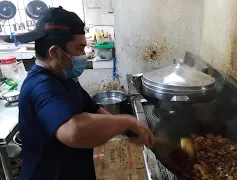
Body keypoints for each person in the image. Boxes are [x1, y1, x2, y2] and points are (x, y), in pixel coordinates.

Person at [17, 7, 154, 180]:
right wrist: (126, 121)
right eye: (80, 48)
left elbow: (92, 109)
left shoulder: (64, 77)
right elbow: (74, 131)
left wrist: (130, 130)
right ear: (55, 52)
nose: (84, 55)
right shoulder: (40, 86)